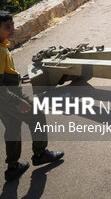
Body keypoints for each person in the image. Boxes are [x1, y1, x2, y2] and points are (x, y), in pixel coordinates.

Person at [0, 11, 64, 181]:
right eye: (7, 27)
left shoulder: (2, 45)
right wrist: (17, 101)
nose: (12, 29)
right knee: (38, 116)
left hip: (4, 99)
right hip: (9, 96)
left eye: (12, 24)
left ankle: (13, 167)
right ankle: (40, 153)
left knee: (13, 127)